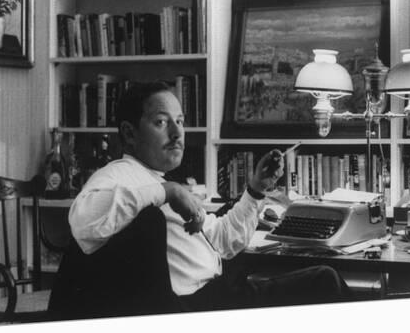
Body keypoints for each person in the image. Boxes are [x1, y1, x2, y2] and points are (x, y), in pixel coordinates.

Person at [51, 81, 349, 318]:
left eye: (179, 121)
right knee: (324, 282)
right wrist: (169, 192)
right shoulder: (117, 176)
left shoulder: (154, 180)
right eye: (161, 122)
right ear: (129, 134)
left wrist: (256, 190)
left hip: (218, 296)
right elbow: (84, 224)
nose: (178, 133)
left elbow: (221, 239)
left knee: (323, 282)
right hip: (192, 309)